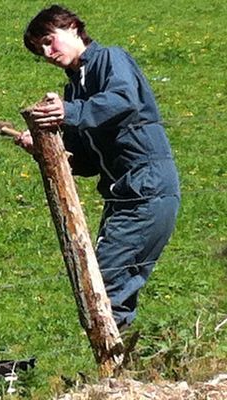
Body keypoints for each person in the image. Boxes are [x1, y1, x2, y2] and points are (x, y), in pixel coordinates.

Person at [17, 5, 180, 331]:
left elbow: (123, 100)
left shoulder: (110, 60)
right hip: (124, 191)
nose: (48, 53)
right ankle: (123, 368)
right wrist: (48, 150)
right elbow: (88, 161)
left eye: (50, 41)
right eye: (40, 51)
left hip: (145, 183)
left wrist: (69, 112)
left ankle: (115, 369)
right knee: (105, 285)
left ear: (74, 27)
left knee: (100, 284)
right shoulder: (75, 86)